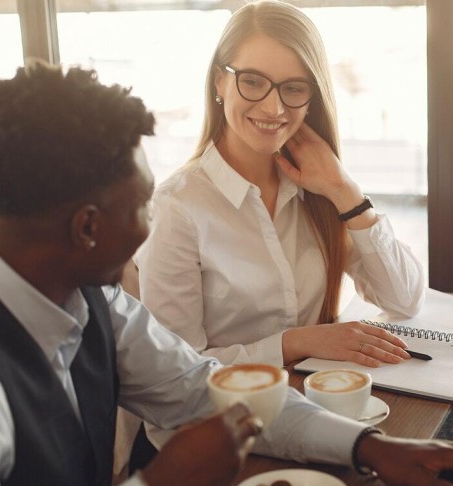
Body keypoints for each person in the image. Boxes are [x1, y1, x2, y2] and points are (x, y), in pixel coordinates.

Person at [0, 62, 453, 486]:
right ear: (85, 227)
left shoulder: (86, 297)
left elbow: (215, 392)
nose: (149, 222)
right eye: (141, 205)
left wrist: (375, 448)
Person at [135, 0, 426, 371]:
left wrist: (345, 192)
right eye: (253, 81)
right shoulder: (177, 208)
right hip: (229, 420)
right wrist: (296, 343)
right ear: (219, 81)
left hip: (317, 400)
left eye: (293, 88)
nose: (274, 109)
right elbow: (177, 371)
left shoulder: (319, 188)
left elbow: (404, 300)